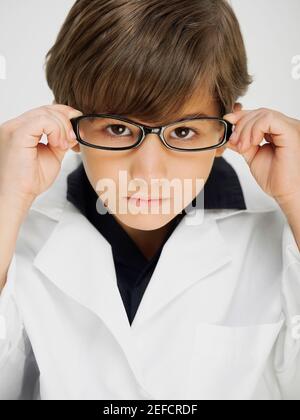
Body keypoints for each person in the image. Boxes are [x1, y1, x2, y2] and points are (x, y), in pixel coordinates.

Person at [0, 0, 300, 400]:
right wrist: (6, 201)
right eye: (118, 128)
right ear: (67, 123)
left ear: (227, 131)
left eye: (183, 133)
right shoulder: (18, 229)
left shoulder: (280, 227)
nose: (149, 174)